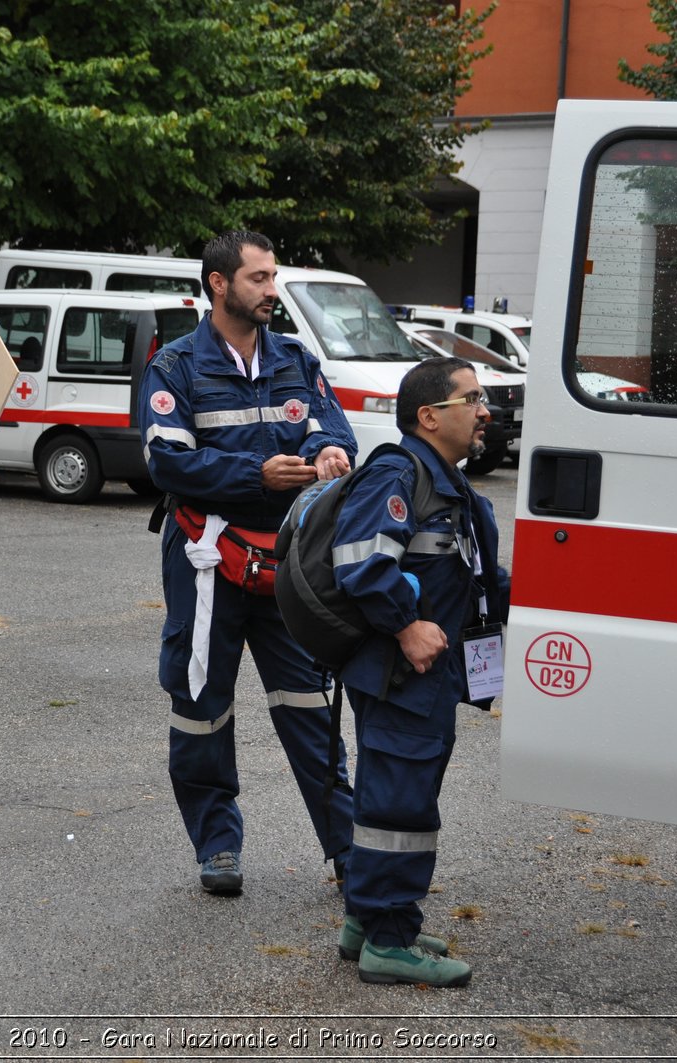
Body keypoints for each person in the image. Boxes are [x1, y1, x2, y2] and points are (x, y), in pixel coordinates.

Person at [138, 230, 357, 895]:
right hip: (206, 562)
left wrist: (327, 455)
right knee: (201, 701)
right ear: (219, 284)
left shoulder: (294, 357)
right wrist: (256, 474)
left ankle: (349, 850)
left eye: (272, 277)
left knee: (309, 703)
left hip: (288, 559)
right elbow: (166, 459)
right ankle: (218, 845)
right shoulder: (175, 366)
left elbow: (333, 426)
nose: (271, 290)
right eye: (259, 278)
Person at [327, 356, 509, 987]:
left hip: (429, 676)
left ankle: (367, 920)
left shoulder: (448, 482)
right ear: (430, 416)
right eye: (472, 399)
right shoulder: (398, 472)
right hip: (400, 673)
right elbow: (360, 562)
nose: (484, 411)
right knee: (399, 807)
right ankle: (388, 941)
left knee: (396, 796)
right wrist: (406, 624)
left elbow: (479, 576)